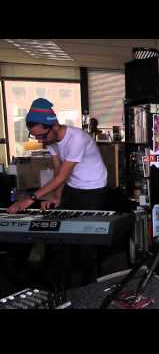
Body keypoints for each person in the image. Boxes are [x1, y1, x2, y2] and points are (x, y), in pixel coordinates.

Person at [7, 98, 108, 288]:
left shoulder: (77, 139)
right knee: (62, 236)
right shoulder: (51, 140)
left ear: (53, 126)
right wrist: (56, 196)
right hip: (72, 186)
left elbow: (62, 176)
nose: (40, 140)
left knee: (86, 241)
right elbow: (58, 169)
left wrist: (30, 199)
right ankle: (60, 285)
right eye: (35, 137)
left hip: (94, 190)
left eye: (42, 136)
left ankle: (90, 288)